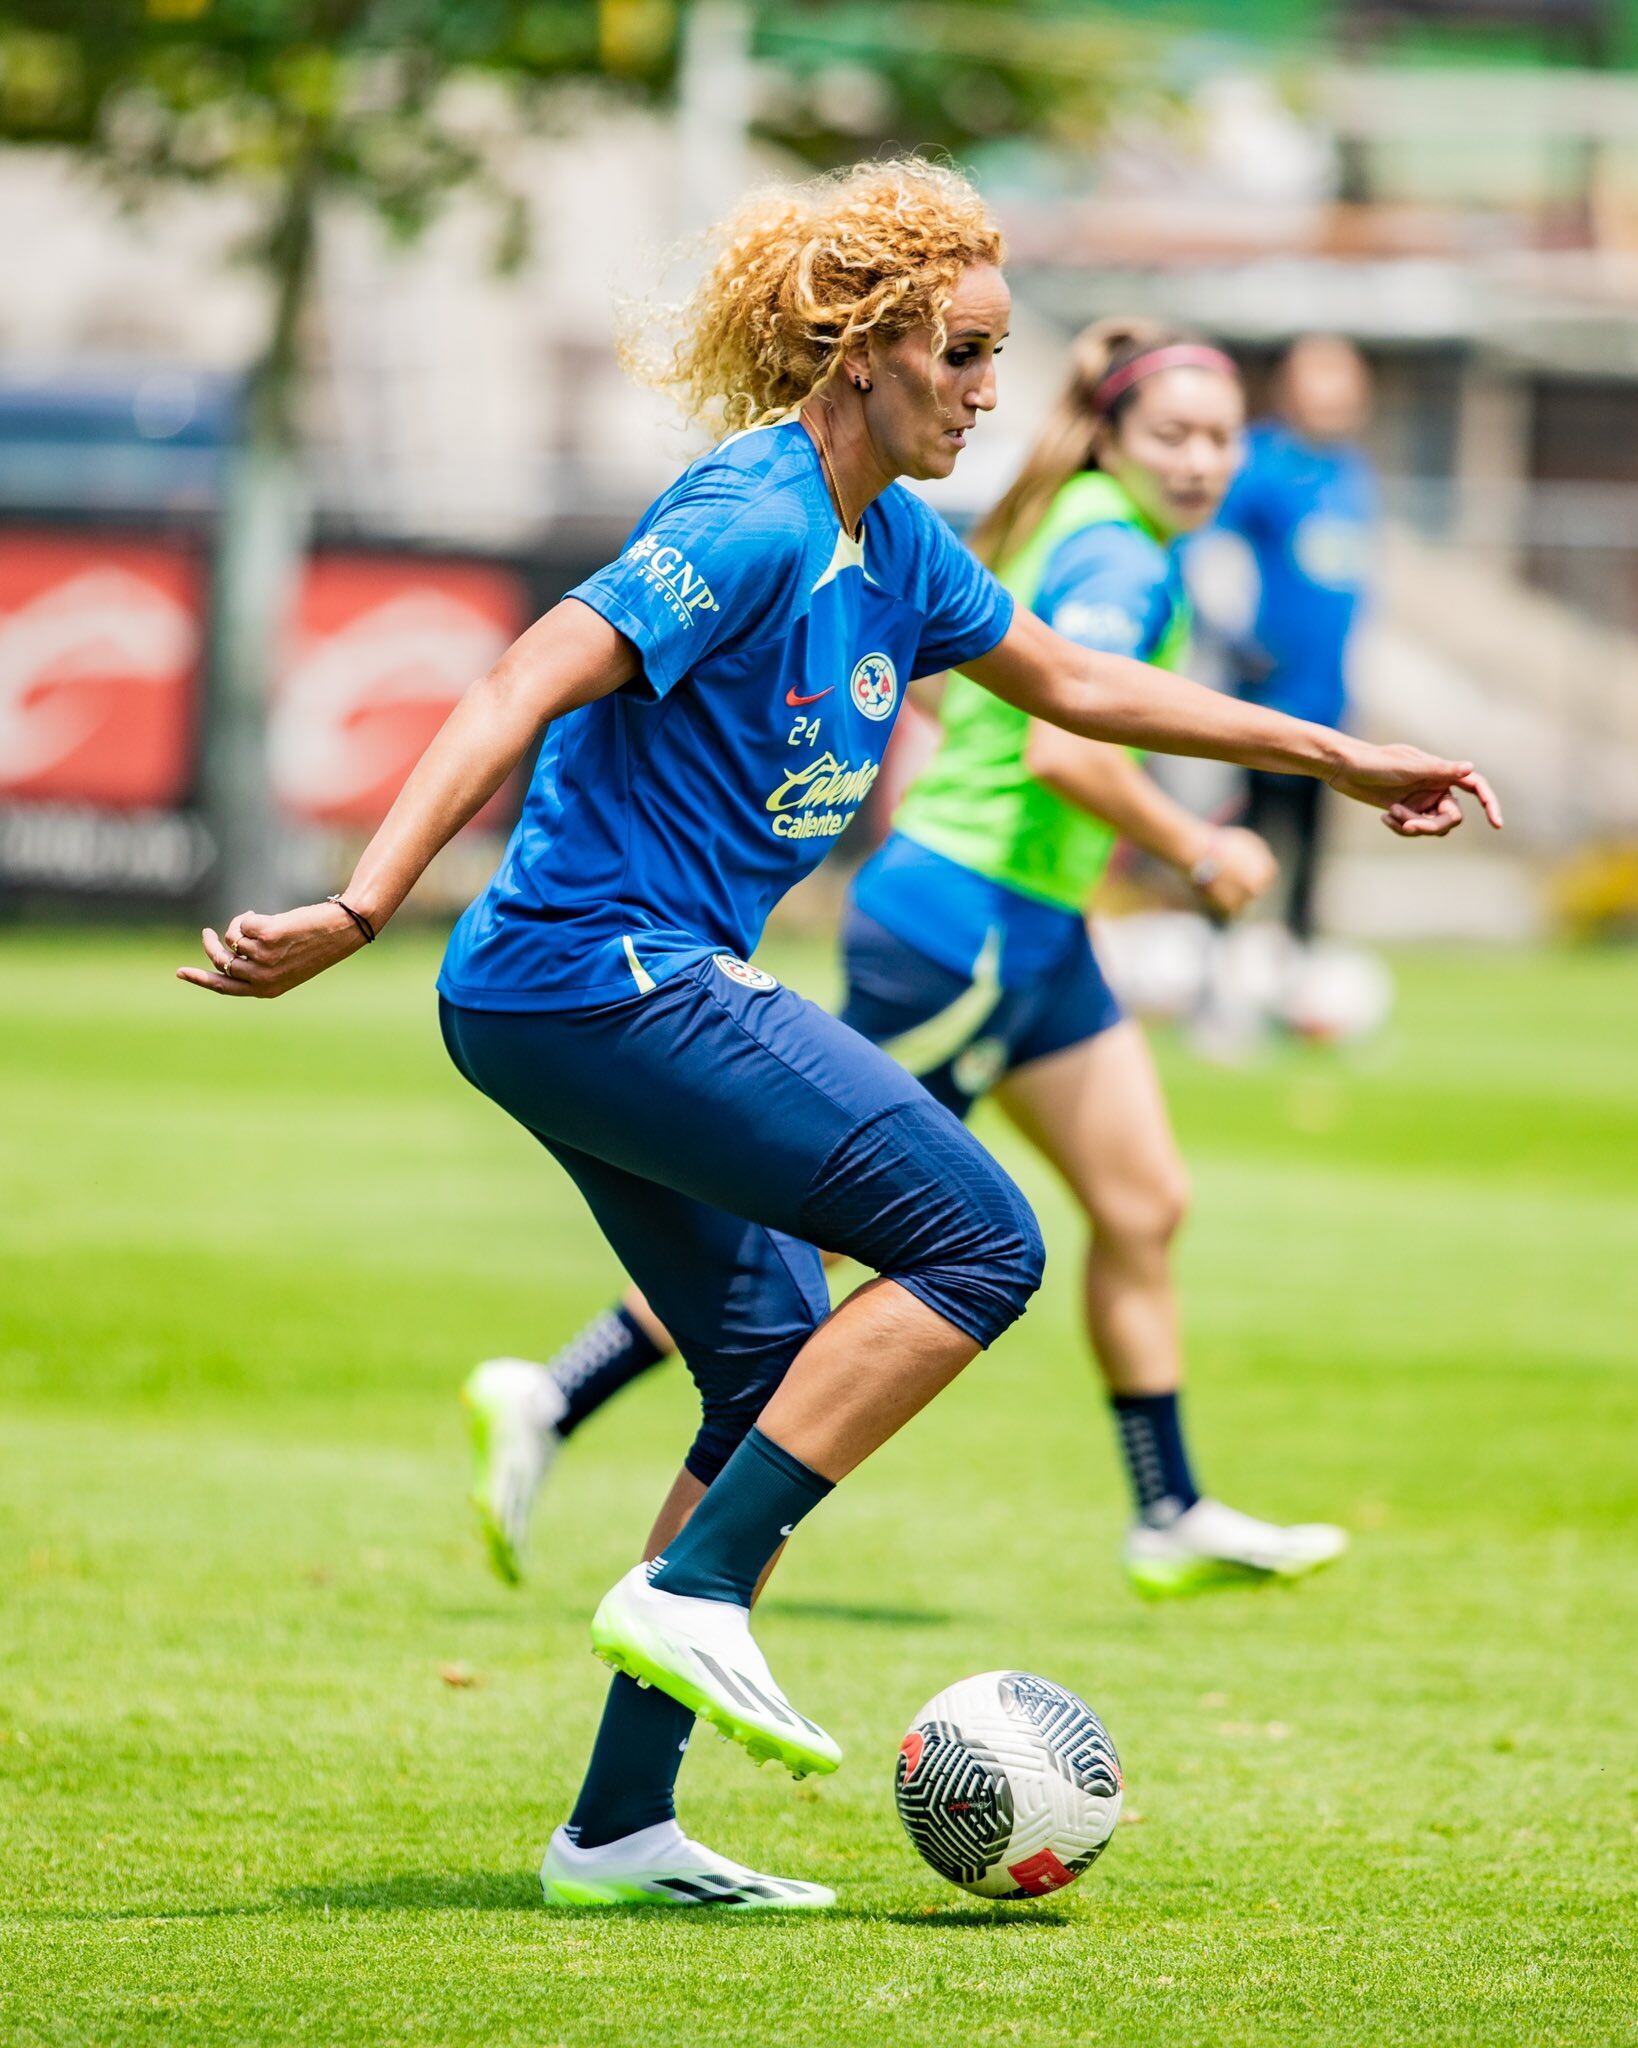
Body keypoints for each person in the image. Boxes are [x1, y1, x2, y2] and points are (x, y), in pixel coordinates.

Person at [180, 160, 1499, 1912]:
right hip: (591, 968)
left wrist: (1344, 755)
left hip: (595, 985)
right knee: (978, 1236)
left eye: (995, 357)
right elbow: (515, 676)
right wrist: (357, 902)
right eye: (960, 352)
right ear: (861, 344)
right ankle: (691, 1589)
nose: (984, 390)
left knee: (760, 1352)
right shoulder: (751, 514)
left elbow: (1084, 689)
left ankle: (615, 1827)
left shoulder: (901, 549)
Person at [474, 317, 1350, 1603]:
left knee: (1141, 1201)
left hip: (1037, 928)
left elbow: (955, 684)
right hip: (973, 927)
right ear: (1108, 436)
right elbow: (1067, 742)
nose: (1204, 461)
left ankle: (1166, 1504)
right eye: (1174, 434)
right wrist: (1198, 846)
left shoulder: (1041, 536)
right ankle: (560, 1403)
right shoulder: (1116, 553)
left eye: (1224, 437)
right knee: (834, 1230)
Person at [1196, 333, 1379, 942]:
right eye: (1320, 379)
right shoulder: (1259, 461)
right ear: (1290, 387)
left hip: (1328, 697)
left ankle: (1297, 972)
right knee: (1245, 843)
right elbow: (1210, 551)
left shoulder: (1351, 470)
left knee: (1311, 854)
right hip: (1263, 698)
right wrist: (1239, 638)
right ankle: (1218, 977)